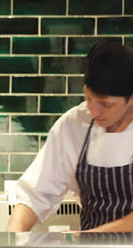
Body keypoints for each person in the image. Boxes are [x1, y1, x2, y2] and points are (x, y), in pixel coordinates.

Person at [7, 42, 133, 232]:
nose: (94, 112)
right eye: (89, 98)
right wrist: (12, 237)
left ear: (131, 99)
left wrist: (91, 237)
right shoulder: (73, 125)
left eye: (106, 105)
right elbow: (35, 194)